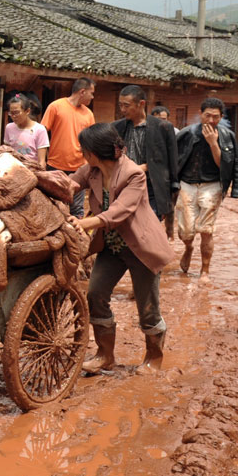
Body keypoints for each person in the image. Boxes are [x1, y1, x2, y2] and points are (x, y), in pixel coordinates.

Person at [67, 124, 174, 374]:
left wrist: (84, 223)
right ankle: (105, 355)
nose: (82, 153)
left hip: (141, 246)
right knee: (95, 294)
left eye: (83, 149)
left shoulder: (134, 174)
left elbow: (119, 211)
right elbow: (69, 184)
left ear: (93, 152)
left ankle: (154, 359)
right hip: (111, 246)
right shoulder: (91, 170)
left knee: (148, 307)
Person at [174, 97, 238, 282]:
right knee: (186, 232)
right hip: (187, 185)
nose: (211, 120)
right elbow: (173, 160)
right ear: (200, 114)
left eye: (216, 117)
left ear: (221, 117)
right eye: (208, 116)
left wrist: (213, 142)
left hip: (212, 186)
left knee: (206, 230)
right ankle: (188, 248)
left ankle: (205, 271)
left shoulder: (227, 136)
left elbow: (229, 165)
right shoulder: (186, 133)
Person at [112, 85, 179, 221]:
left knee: (150, 227)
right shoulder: (116, 127)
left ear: (141, 103)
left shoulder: (163, 127)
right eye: (120, 105)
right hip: (125, 186)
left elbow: (171, 162)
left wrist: (171, 193)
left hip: (152, 187)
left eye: (126, 105)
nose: (123, 110)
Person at [42, 77, 96, 217]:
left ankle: (75, 237)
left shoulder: (89, 114)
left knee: (76, 209)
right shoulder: (56, 106)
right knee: (53, 206)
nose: (93, 96)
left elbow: (92, 141)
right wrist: (41, 160)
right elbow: (41, 133)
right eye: (91, 93)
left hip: (79, 168)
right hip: (56, 166)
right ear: (82, 92)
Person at [4, 93, 49, 167]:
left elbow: (42, 162)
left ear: (27, 111)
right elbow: (6, 153)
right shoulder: (9, 128)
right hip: (13, 169)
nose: (14, 116)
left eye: (17, 112)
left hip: (32, 171)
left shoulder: (39, 130)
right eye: (11, 113)